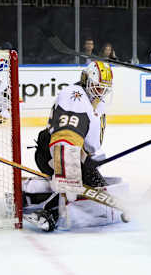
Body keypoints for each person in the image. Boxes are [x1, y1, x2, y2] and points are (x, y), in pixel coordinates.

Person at [24, 61, 127, 232]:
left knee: (95, 187)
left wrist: (90, 159)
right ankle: (50, 211)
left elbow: (89, 144)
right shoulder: (75, 96)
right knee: (75, 188)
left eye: (104, 88)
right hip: (53, 154)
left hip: (76, 156)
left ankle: (36, 197)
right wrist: (67, 175)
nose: (100, 91)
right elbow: (65, 139)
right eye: (97, 86)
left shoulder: (96, 102)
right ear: (86, 80)